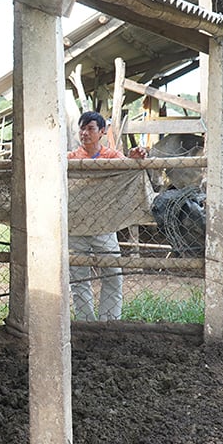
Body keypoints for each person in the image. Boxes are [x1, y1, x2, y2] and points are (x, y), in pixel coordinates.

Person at [67, 111, 126, 321]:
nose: (85, 133)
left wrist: (136, 161)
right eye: (82, 128)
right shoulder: (70, 159)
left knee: (113, 274)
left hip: (104, 225)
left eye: (90, 128)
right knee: (78, 276)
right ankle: (85, 322)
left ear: (102, 132)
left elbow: (129, 172)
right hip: (76, 226)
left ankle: (109, 322)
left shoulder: (113, 157)